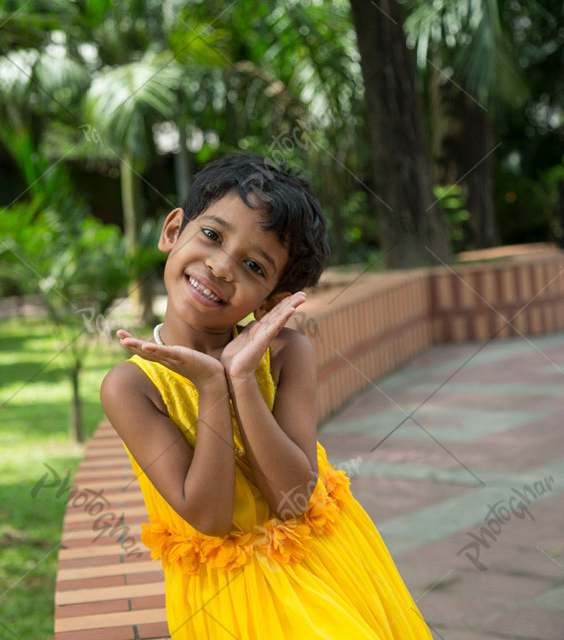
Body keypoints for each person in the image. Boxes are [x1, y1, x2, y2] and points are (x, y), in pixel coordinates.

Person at [100, 153, 432, 638]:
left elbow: (294, 499)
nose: (219, 266)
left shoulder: (287, 354)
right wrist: (212, 386)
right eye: (212, 235)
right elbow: (210, 516)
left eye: (254, 265)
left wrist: (241, 379)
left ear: (272, 299)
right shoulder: (131, 386)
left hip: (325, 560)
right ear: (174, 230)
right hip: (226, 599)